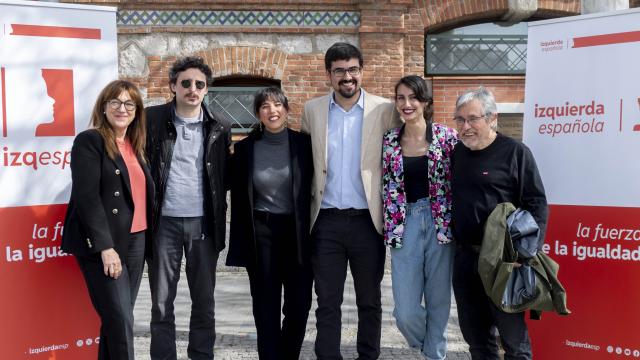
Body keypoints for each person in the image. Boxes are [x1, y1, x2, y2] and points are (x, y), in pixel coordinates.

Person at [300, 42, 400, 360]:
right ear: (329, 74)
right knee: (327, 301)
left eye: (353, 69)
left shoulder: (384, 110)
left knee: (369, 300)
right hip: (326, 220)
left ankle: (368, 356)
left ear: (361, 71)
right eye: (340, 70)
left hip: (367, 221)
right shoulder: (312, 111)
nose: (348, 77)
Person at [450, 87, 548, 360]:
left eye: (472, 119)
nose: (465, 126)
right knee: (478, 341)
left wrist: (526, 253)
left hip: (504, 262)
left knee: (514, 343)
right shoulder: (457, 154)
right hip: (466, 260)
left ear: (492, 118)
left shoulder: (515, 152)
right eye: (460, 120)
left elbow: (537, 204)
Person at [145, 56, 231, 360]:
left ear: (206, 89)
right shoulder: (150, 120)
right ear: (173, 86)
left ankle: (201, 355)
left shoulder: (220, 126)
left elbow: (223, 176)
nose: (192, 89)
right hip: (162, 224)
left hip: (203, 224)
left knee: (204, 302)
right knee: (161, 304)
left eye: (199, 84)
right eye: (186, 83)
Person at [61, 80, 153, 360]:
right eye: (115, 102)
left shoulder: (136, 145)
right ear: (104, 107)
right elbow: (87, 198)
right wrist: (105, 248)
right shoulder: (90, 141)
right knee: (121, 320)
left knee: (117, 322)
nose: (121, 108)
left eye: (129, 104)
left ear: (136, 111)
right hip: (105, 245)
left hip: (137, 240)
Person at [226, 87, 314, 360]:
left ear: (287, 110)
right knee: (265, 306)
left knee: (299, 304)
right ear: (258, 114)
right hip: (261, 233)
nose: (272, 111)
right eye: (265, 106)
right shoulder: (244, 150)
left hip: (298, 233)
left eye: (277, 105)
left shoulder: (305, 145)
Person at [381, 75, 457, 360]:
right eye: (401, 98)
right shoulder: (389, 141)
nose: (407, 104)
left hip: (440, 224)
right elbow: (384, 184)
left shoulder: (447, 137)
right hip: (404, 223)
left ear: (425, 102)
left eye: (413, 98)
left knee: (438, 301)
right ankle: (429, 345)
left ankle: (434, 355)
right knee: (406, 310)